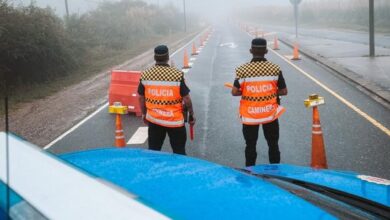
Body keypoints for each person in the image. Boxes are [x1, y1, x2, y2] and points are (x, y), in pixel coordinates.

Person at [231, 38, 288, 167]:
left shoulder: (242, 70)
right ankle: (276, 172)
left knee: (250, 145)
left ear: (251, 51)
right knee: (273, 144)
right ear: (266, 51)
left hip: (250, 116)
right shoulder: (275, 69)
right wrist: (270, 93)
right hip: (270, 115)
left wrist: (247, 92)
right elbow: (284, 91)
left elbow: (234, 92)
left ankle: (251, 172)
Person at [138, 45, 195, 155]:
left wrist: (144, 114)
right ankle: (178, 171)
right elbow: (186, 98)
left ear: (154, 57)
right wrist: (191, 115)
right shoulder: (177, 75)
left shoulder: (145, 75)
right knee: (179, 152)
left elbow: (141, 97)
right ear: (168, 57)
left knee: (154, 152)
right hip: (175, 122)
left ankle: (154, 171)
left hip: (154, 120)